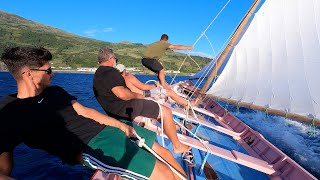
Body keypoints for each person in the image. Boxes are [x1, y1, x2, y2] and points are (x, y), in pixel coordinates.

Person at [0, 47, 187, 180]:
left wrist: (121, 125)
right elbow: (3, 151)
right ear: (27, 73)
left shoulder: (55, 91)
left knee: (165, 154)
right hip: (93, 145)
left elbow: (85, 111)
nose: (53, 74)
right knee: (164, 175)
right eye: (48, 70)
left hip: (109, 127)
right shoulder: (11, 110)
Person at [93, 48, 191, 155]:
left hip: (115, 114)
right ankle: (177, 146)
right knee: (165, 112)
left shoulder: (97, 76)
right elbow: (122, 94)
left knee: (157, 111)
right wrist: (138, 96)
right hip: (128, 108)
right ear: (112, 59)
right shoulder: (111, 72)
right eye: (116, 59)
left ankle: (168, 129)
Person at [116, 64, 192, 107]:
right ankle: (188, 104)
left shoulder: (118, 81)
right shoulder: (128, 77)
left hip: (135, 98)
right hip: (144, 95)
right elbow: (144, 87)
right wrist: (155, 85)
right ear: (124, 70)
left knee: (164, 91)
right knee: (169, 91)